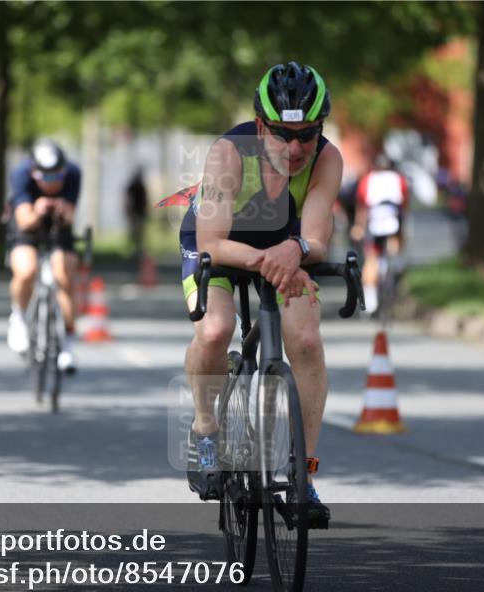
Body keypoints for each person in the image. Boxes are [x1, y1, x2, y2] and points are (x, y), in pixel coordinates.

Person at [180, 62, 342, 525]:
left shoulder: (327, 160)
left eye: (307, 134)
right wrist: (271, 259)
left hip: (286, 248)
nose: (295, 148)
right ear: (259, 126)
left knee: (307, 340)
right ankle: (205, 429)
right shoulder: (229, 153)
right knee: (215, 329)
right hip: (218, 242)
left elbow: (316, 236)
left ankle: (304, 475)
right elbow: (212, 242)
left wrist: (295, 251)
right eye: (281, 134)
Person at [6, 138, 82, 373]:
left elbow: (70, 216)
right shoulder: (21, 174)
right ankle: (18, 317)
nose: (51, 183)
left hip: (58, 225)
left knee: (64, 277)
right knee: (26, 270)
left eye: (56, 177)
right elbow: (23, 220)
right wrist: (38, 209)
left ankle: (67, 344)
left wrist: (60, 208)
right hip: (28, 221)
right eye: (45, 178)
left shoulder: (73, 173)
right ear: (34, 172)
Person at [350, 154, 407, 314]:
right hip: (393, 222)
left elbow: (362, 207)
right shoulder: (399, 179)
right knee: (395, 248)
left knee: (371, 259)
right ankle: (396, 268)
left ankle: (370, 299)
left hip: (374, 223)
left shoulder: (368, 180)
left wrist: (358, 227)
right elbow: (404, 206)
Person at [124, 169, 149, 265]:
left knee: (139, 234)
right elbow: (128, 200)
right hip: (135, 212)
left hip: (139, 212)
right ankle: (134, 251)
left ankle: (138, 252)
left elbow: (144, 200)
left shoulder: (140, 187)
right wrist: (128, 212)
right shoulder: (133, 186)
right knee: (134, 233)